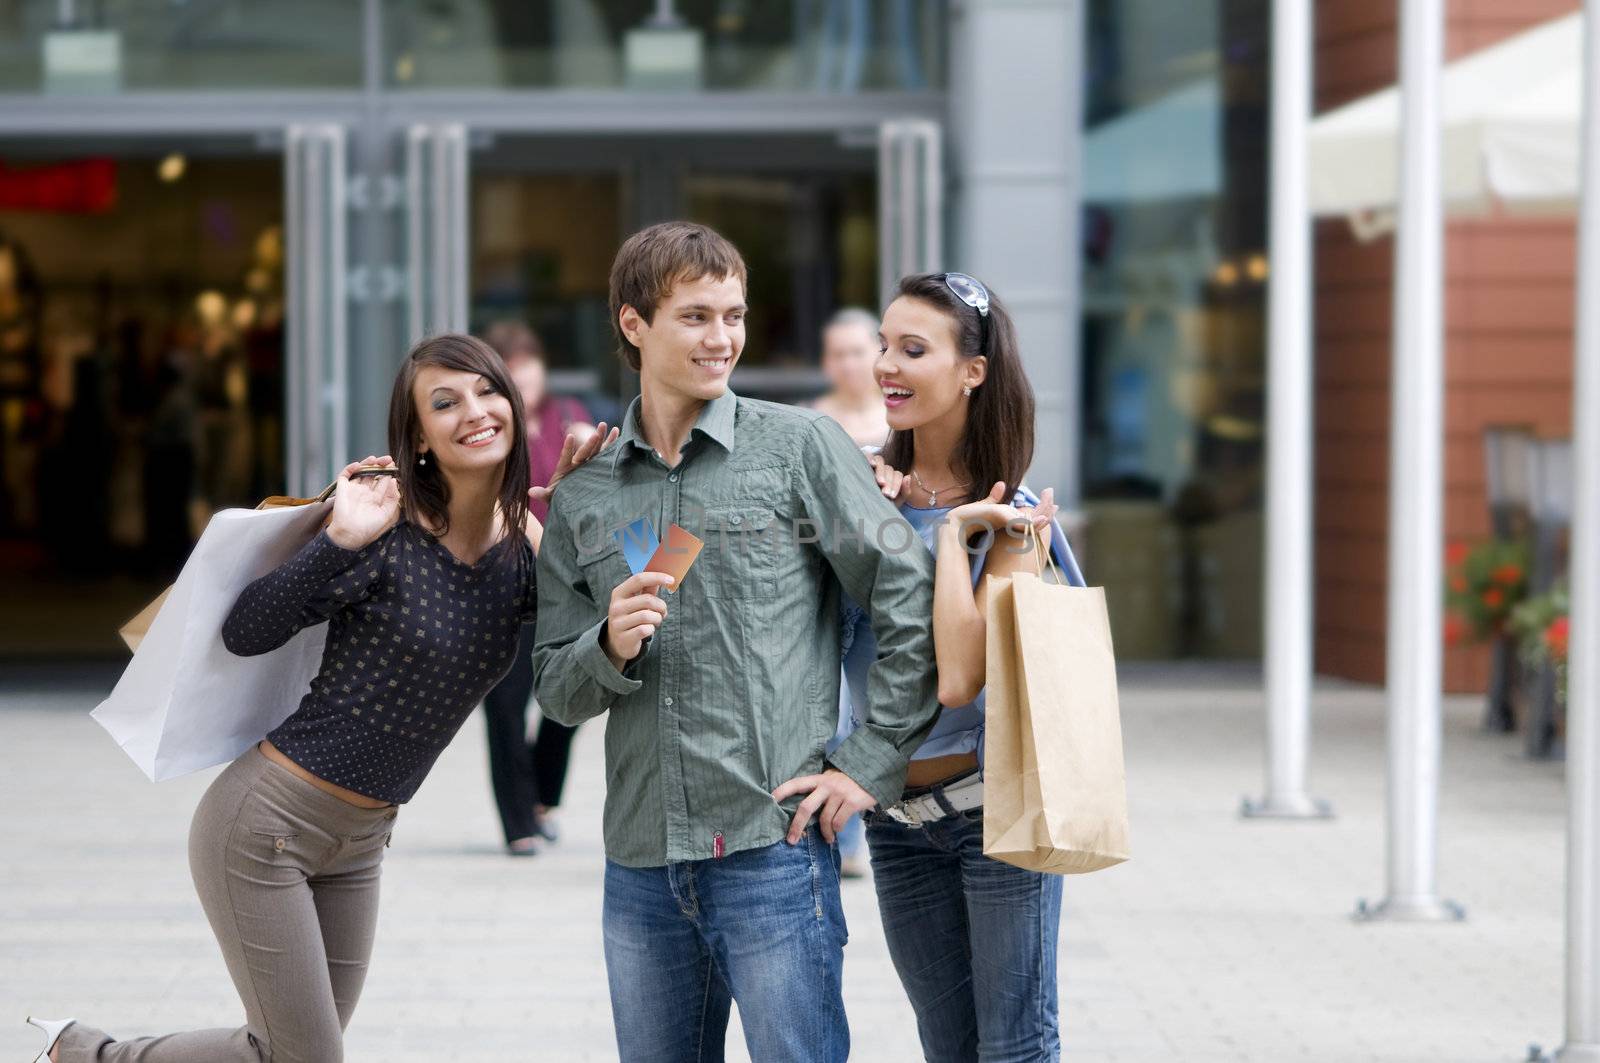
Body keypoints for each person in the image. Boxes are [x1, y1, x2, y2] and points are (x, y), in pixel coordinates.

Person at [24, 333, 613, 1063]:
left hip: (363, 843)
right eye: (444, 401)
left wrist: (591, 505)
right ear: (420, 439)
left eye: (487, 390)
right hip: (265, 824)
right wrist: (336, 538)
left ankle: (84, 1053)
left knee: (284, 1051)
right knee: (307, 1056)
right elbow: (245, 630)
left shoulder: (523, 549)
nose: (474, 410)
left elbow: (604, 626)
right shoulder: (386, 530)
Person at [531, 221, 939, 1063]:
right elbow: (555, 691)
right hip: (642, 862)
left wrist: (870, 759)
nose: (722, 338)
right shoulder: (589, 494)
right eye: (696, 316)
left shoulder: (799, 448)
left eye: (735, 315)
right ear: (633, 325)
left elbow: (909, 590)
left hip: (773, 853)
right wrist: (606, 647)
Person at [841, 272, 1086, 1062]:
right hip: (893, 821)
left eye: (914, 349)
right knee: (948, 1047)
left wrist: (950, 536)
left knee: (1014, 1047)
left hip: (996, 817)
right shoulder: (859, 494)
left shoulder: (1010, 521)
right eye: (884, 345)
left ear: (972, 371)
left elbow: (958, 679)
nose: (888, 365)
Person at [480, 321, 596, 854]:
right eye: (512, 367)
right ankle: (520, 823)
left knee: (565, 700)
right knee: (505, 705)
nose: (524, 376)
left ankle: (543, 798)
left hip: (569, 579)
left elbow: (602, 488)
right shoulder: (483, 425)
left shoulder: (568, 415)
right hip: (500, 581)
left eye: (529, 364)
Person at [811, 306, 891, 877]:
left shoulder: (900, 421)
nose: (846, 363)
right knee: (834, 716)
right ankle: (841, 840)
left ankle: (858, 833)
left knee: (872, 710)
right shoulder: (812, 422)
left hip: (886, 587)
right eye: (835, 353)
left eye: (856, 351)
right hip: (829, 585)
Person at [811, 306, 890, 448]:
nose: (848, 365)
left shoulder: (903, 418)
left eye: (858, 352)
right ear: (824, 361)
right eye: (838, 354)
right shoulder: (808, 420)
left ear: (880, 353)